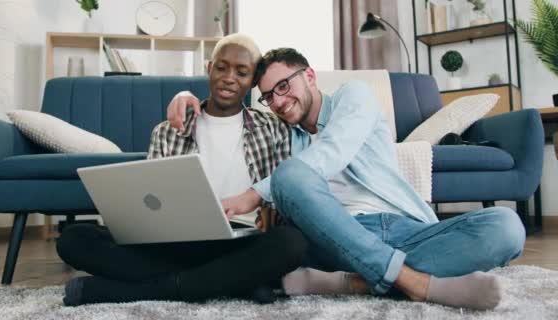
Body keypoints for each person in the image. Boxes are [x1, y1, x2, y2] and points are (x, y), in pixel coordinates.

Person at [166, 48, 526, 310]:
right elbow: (229, 103)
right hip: (326, 239)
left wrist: (254, 193)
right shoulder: (280, 130)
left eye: (284, 86)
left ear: (308, 76)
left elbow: (333, 152)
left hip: (402, 230)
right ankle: (414, 282)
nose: (277, 101)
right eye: (269, 96)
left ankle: (351, 283)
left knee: (506, 226)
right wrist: (185, 96)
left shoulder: (353, 97)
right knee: (288, 182)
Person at [56, 35, 308, 306]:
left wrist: (272, 210)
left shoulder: (273, 128)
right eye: (222, 68)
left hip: (242, 242)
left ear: (253, 82)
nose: (229, 78)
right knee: (73, 238)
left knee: (292, 243)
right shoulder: (168, 130)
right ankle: (236, 282)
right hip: (178, 244)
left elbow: (284, 193)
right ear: (209, 67)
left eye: (242, 72)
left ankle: (146, 289)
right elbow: (149, 203)